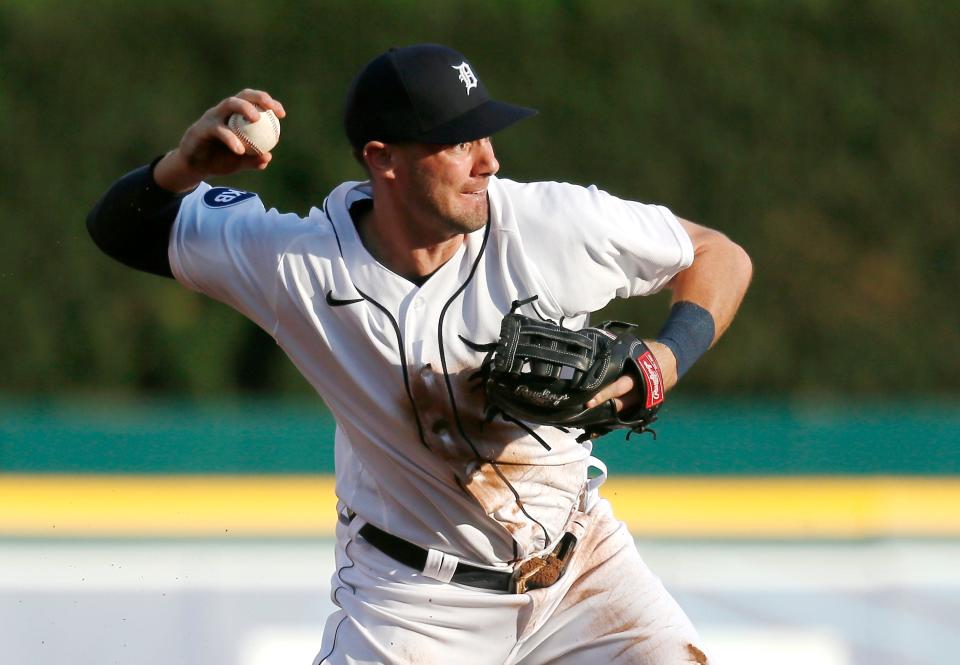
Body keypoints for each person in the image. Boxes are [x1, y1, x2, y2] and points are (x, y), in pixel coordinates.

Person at [88, 43, 751, 665]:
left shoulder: (550, 225)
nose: (488, 161)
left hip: (582, 570)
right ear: (385, 159)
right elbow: (119, 228)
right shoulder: (297, 263)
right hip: (410, 602)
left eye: (486, 135)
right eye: (459, 142)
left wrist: (664, 359)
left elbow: (718, 255)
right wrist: (183, 168)